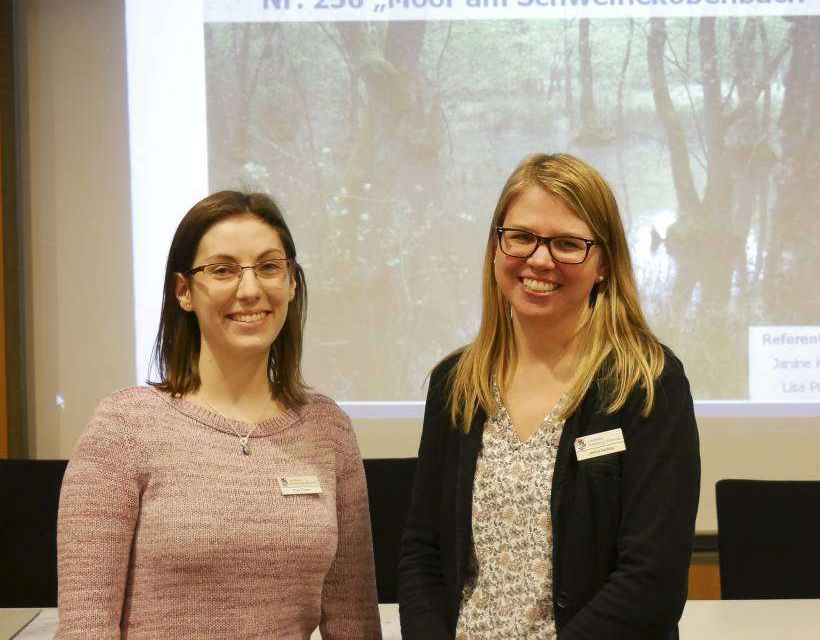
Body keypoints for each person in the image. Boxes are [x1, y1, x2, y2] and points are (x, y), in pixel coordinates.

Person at [398, 153, 701, 639]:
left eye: (566, 244)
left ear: (604, 262)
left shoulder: (647, 384)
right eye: (520, 237)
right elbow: (423, 552)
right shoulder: (456, 383)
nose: (540, 260)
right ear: (497, 248)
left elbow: (653, 580)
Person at [56, 191, 381, 639]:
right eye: (223, 270)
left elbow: (354, 622)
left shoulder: (328, 429)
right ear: (184, 291)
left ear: (291, 284)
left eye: (269, 267)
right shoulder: (124, 426)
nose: (250, 290)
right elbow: (85, 628)